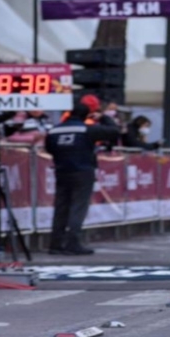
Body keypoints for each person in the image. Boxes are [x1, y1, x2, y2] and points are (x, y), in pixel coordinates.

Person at [44, 101, 122, 255]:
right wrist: (103, 117)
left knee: (61, 208)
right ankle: (73, 243)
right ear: (86, 115)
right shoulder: (87, 129)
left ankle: (55, 244)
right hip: (82, 171)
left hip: (61, 171)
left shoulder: (54, 131)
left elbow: (49, 149)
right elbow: (114, 132)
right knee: (78, 208)